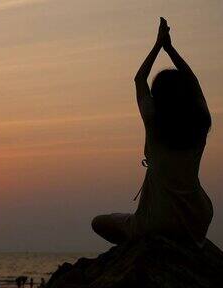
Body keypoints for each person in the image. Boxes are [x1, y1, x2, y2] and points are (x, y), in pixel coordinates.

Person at [91, 17, 213, 248]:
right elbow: (193, 82)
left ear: (158, 98)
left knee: (99, 222)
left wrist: (158, 45)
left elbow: (139, 79)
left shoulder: (154, 122)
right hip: (197, 219)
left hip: (157, 221)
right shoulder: (201, 123)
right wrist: (170, 49)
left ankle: (139, 252)